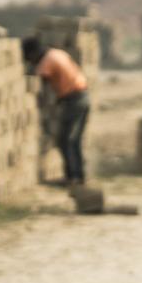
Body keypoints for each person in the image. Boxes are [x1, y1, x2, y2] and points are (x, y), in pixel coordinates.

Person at [21, 37, 92, 186]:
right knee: (74, 139)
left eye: (29, 58)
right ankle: (78, 175)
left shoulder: (46, 62)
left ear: (33, 54)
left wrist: (42, 109)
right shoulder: (57, 53)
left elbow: (42, 88)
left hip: (74, 99)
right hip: (83, 96)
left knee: (65, 140)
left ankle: (73, 177)